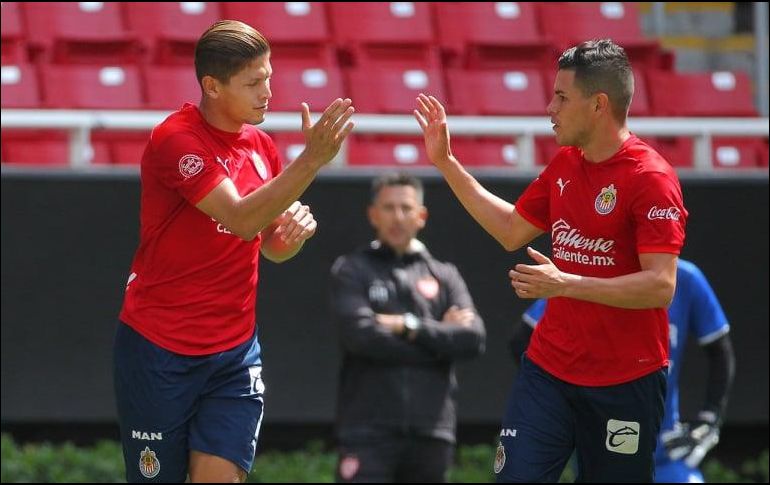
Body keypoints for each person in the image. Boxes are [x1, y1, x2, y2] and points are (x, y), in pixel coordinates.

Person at [414, 39, 688, 482]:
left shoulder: (650, 178)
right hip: (549, 372)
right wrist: (446, 162)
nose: (550, 107)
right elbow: (510, 230)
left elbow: (660, 285)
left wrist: (567, 284)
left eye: (561, 96)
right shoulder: (565, 163)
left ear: (598, 104)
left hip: (625, 381)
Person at [113, 20, 355, 483]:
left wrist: (292, 237)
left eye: (269, 77)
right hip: (158, 348)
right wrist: (313, 159)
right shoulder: (175, 140)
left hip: (234, 353)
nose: (268, 91)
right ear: (213, 86)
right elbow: (243, 219)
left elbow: (271, 247)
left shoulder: (262, 145)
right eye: (253, 82)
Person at [513, 259, 735, 482]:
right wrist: (564, 407)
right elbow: (522, 340)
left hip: (664, 449)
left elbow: (719, 348)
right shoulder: (586, 278)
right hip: (599, 437)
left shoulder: (684, 278)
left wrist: (710, 417)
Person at [329, 172, 486, 483]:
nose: (397, 217)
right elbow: (360, 337)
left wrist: (407, 326)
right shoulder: (352, 269)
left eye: (405, 207)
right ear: (373, 214)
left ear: (421, 216)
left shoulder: (445, 274)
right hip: (367, 432)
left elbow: (472, 339)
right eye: (388, 208)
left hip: (433, 433)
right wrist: (440, 339)